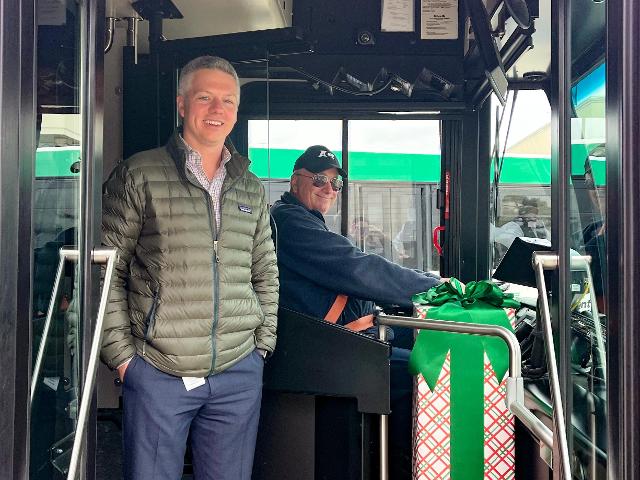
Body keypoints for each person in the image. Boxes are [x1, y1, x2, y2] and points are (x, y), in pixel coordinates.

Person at [101, 56, 279, 480]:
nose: (218, 110)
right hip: (158, 370)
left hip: (238, 370)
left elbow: (265, 270)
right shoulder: (139, 174)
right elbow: (105, 273)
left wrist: (261, 344)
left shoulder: (250, 186)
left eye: (228, 101)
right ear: (182, 104)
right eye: (205, 98)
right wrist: (125, 359)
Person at [270, 145, 441, 478]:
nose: (329, 189)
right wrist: (433, 287)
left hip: (349, 337)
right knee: (424, 371)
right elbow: (357, 269)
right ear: (295, 182)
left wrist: (422, 287)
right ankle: (407, 465)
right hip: (329, 349)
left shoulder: (304, 221)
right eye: (319, 180)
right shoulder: (290, 223)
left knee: (429, 339)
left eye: (336, 184)